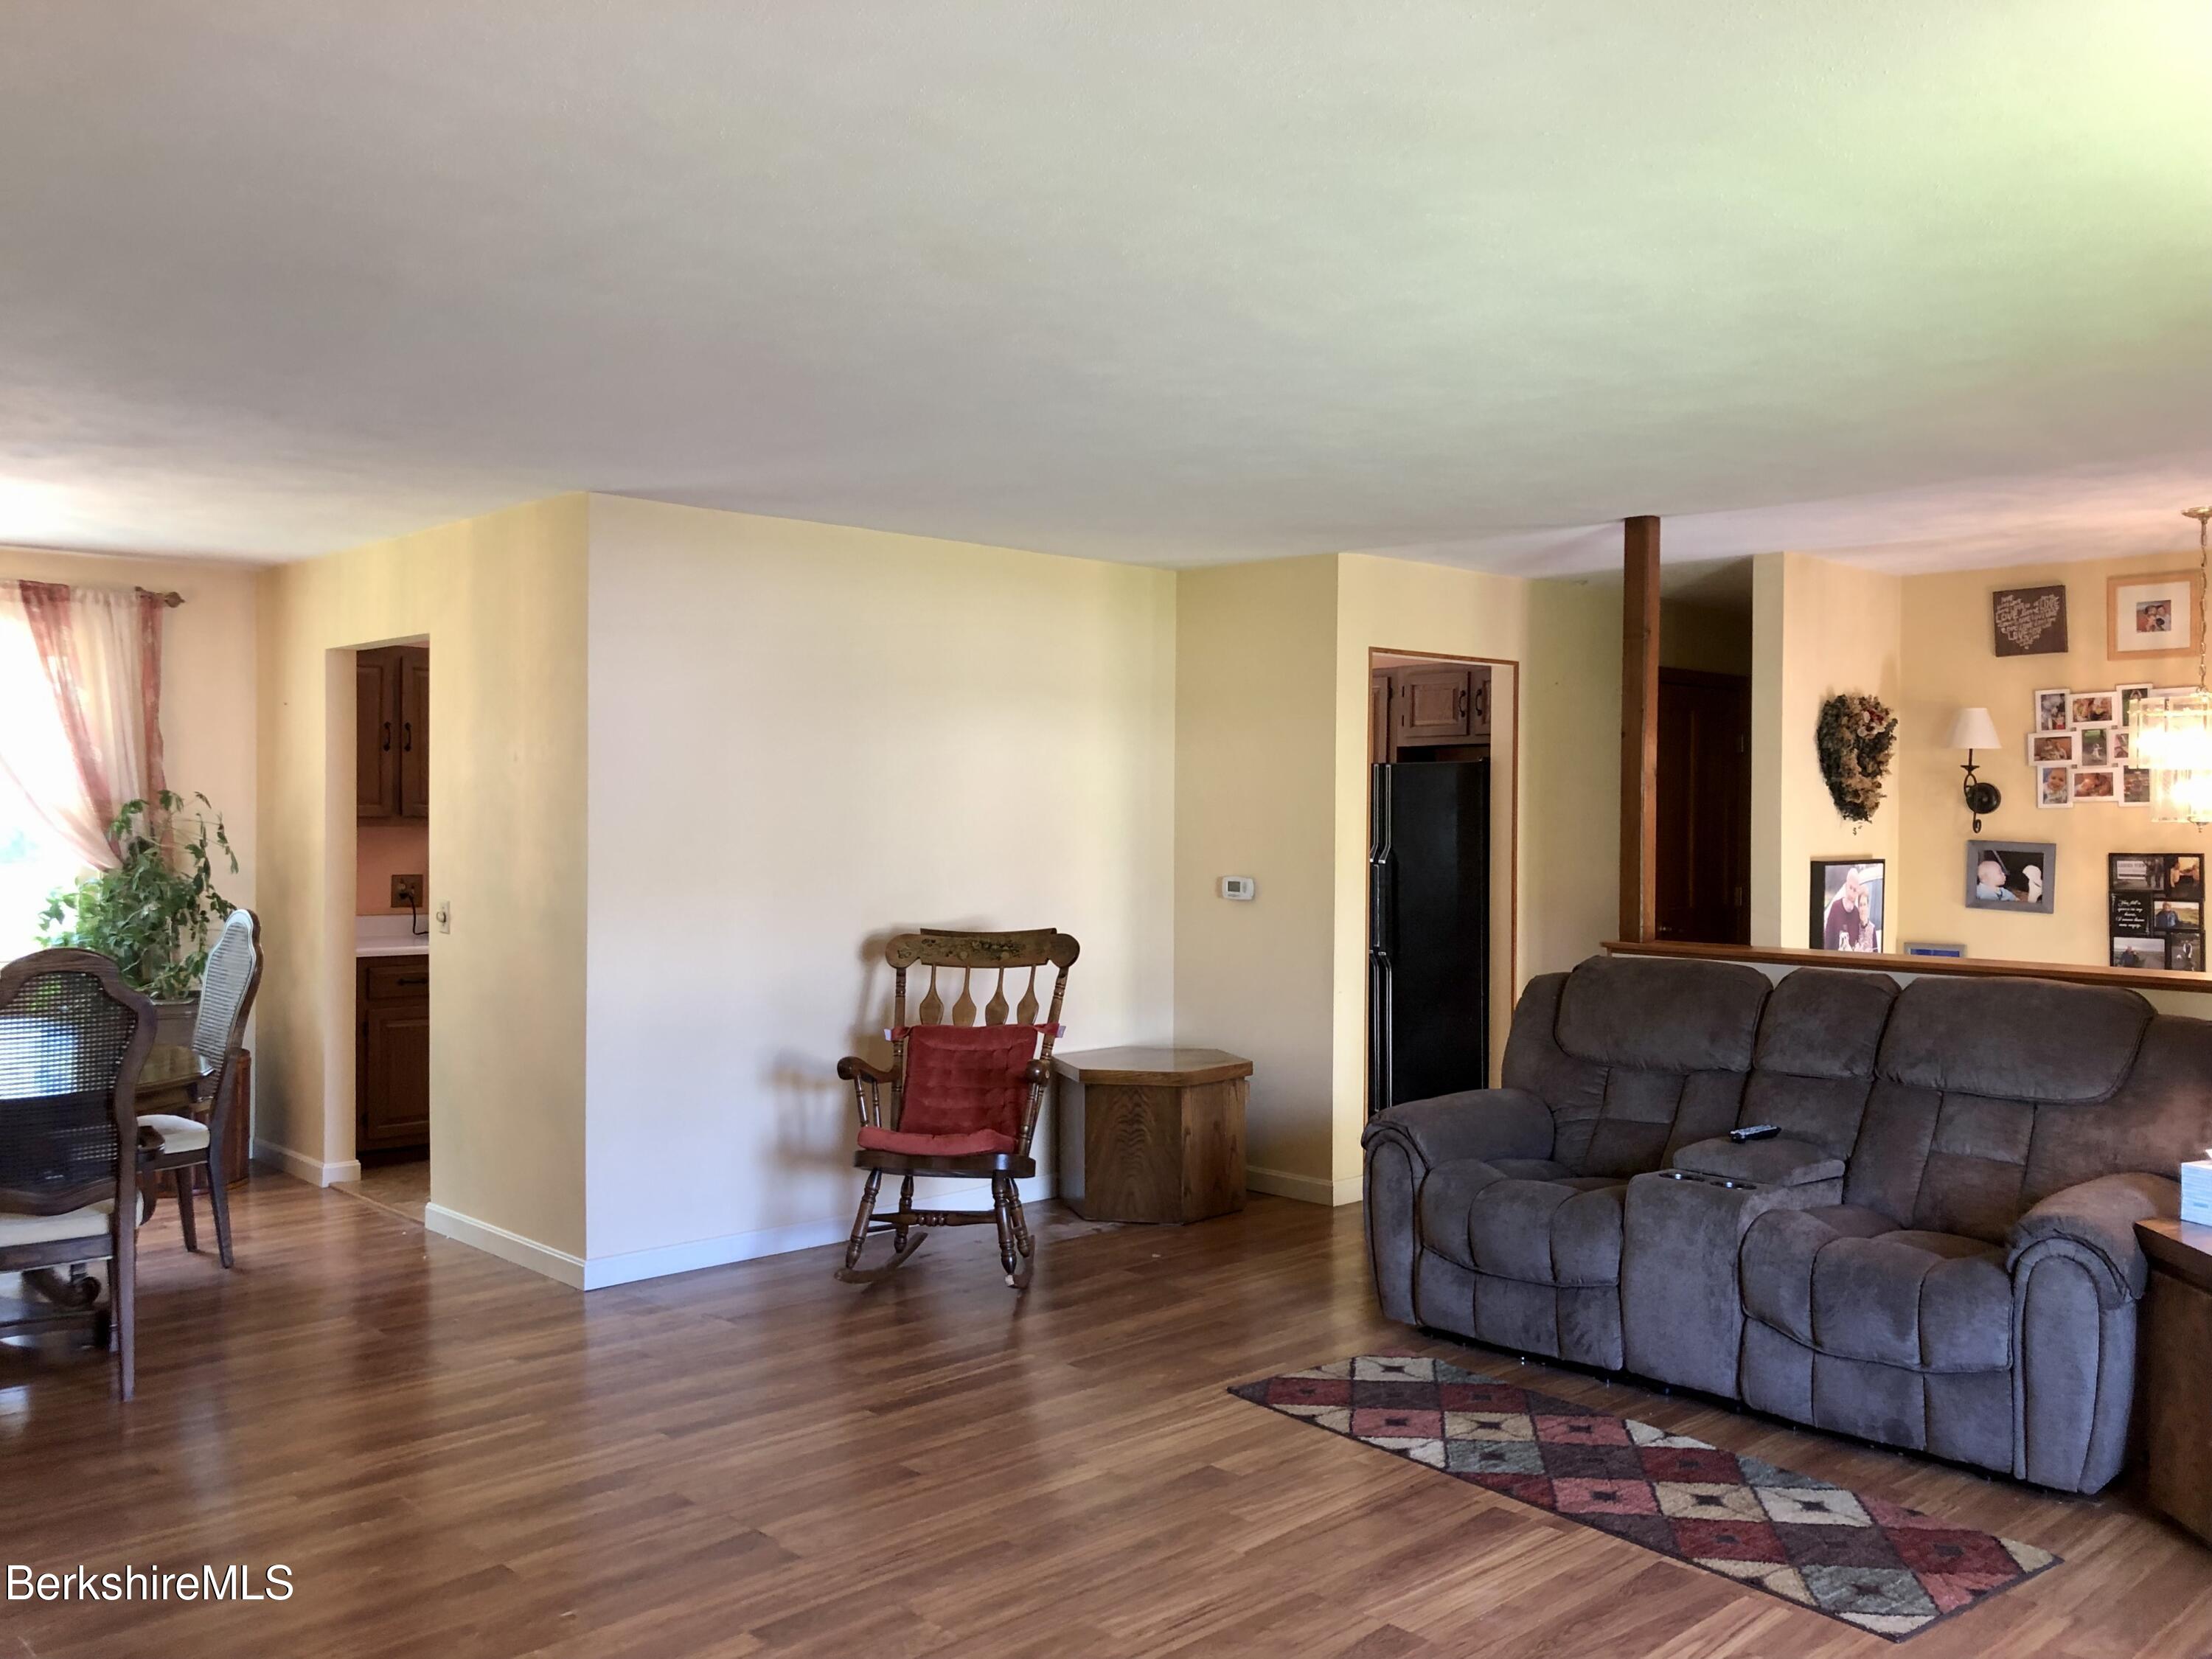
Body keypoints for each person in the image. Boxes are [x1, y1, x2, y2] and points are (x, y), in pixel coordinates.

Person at [1823, 866, 1874, 950]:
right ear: (1846, 887)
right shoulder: (1835, 908)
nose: (1852, 894)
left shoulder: (1857, 914)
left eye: (1855, 890)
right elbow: (1827, 945)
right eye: (1850, 888)